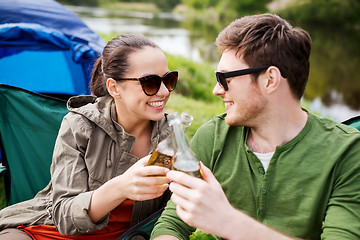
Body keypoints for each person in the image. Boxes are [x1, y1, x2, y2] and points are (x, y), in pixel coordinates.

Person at [151, 13, 360, 240]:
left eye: (225, 79)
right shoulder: (212, 137)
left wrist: (228, 221)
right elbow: (171, 224)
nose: (216, 89)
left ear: (270, 80)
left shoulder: (347, 152)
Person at [0, 33, 178, 239]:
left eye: (168, 79)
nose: (164, 91)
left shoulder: (171, 135)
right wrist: (121, 187)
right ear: (114, 88)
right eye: (150, 82)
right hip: (50, 232)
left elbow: (180, 210)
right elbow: (64, 215)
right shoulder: (80, 126)